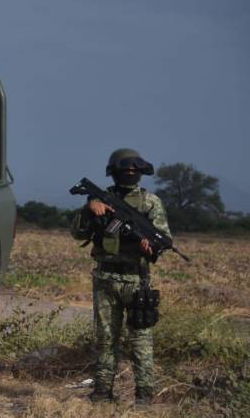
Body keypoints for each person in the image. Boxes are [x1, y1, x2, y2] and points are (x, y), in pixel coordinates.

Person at [70, 148, 171, 405]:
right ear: (114, 172)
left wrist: (151, 245)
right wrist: (89, 209)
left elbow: (162, 238)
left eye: (134, 170)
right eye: (125, 170)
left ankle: (144, 397)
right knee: (105, 340)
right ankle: (103, 393)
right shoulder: (101, 200)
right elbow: (78, 234)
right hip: (105, 278)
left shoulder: (150, 203)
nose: (130, 174)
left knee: (141, 342)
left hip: (137, 281)